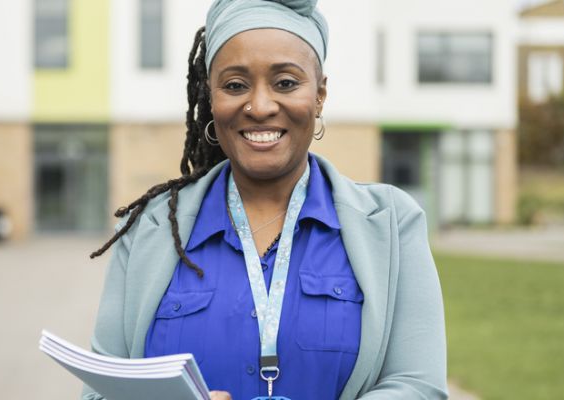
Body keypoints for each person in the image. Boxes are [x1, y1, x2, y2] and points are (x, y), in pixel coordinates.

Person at [83, 0, 447, 399]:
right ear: (211, 97)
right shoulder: (146, 232)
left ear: (320, 94)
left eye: (286, 83)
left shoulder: (391, 224)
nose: (259, 106)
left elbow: (417, 386)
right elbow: (101, 392)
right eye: (235, 85)